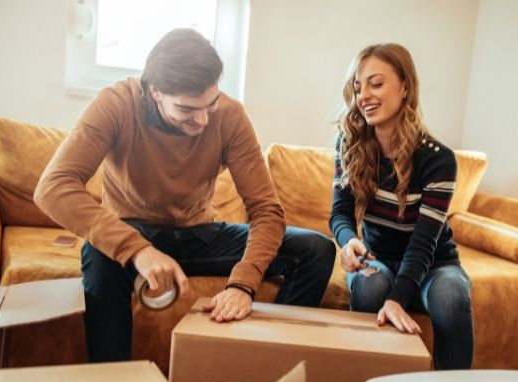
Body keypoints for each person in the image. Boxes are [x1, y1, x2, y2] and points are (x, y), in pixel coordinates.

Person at [35, 28, 335, 362]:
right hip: (134, 230)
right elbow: (53, 187)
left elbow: (266, 210)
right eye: (188, 109)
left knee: (316, 250)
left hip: (201, 234)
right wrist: (137, 249)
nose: (203, 119)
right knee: (99, 253)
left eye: (211, 104)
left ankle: (269, 365)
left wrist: (243, 284)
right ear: (155, 91)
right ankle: (112, 380)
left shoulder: (230, 116)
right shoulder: (115, 104)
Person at [329, 43, 474, 382]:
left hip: (434, 262)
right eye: (359, 86)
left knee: (449, 295)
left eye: (376, 84)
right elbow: (339, 214)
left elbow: (425, 242)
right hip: (377, 257)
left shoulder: (439, 159)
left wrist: (399, 298)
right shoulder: (348, 144)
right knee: (372, 285)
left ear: (405, 87)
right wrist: (349, 242)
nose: (364, 95)